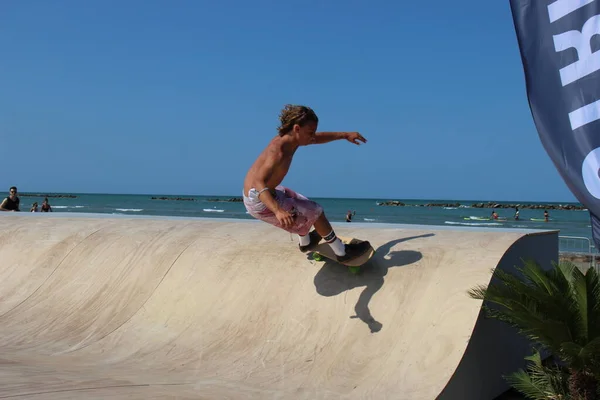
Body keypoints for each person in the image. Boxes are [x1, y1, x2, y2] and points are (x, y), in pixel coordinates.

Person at [243, 104, 371, 263]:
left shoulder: (291, 139)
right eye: (310, 132)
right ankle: (342, 252)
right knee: (316, 211)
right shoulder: (278, 152)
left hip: (268, 192)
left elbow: (318, 138)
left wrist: (345, 135)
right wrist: (278, 211)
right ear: (297, 128)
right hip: (261, 200)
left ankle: (305, 242)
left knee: (302, 202)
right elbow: (258, 182)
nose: (312, 136)